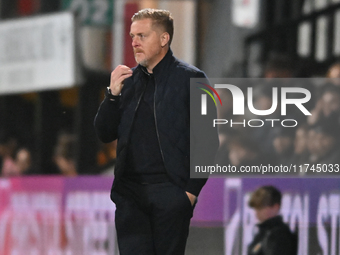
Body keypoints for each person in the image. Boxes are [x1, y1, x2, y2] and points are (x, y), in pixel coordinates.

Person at [94, 8, 218, 255]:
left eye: (142, 35)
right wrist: (112, 96)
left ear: (164, 39)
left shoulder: (194, 79)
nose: (134, 42)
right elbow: (104, 133)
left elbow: (207, 142)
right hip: (130, 196)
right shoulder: (126, 82)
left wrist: (189, 193)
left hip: (171, 194)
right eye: (132, 36)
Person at [247, 185, 297, 255]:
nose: (257, 212)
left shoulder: (280, 235)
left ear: (275, 207)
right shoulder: (262, 233)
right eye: (256, 208)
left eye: (261, 207)